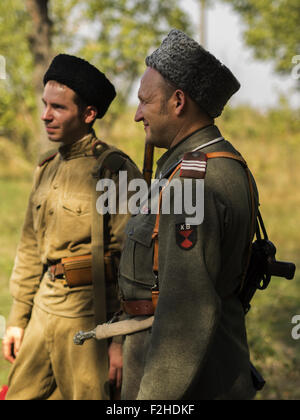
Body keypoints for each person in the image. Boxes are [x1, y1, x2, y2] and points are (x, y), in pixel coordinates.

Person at [118, 29, 259, 400]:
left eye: (145, 102)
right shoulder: (212, 163)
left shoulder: (192, 182)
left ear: (178, 101)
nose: (137, 115)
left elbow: (185, 311)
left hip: (187, 383)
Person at [2, 54, 142, 400]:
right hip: (43, 310)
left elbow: (132, 263)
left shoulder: (115, 171)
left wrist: (119, 342)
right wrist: (18, 318)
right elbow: (30, 246)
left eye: (58, 108)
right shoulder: (46, 166)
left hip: (87, 318)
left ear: (89, 114)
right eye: (44, 104)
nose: (45, 115)